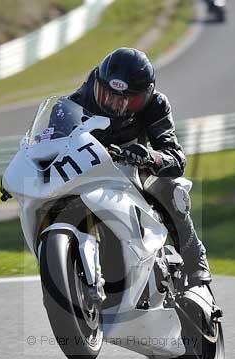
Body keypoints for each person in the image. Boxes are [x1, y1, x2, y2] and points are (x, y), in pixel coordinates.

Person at [67, 47, 211, 286]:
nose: (115, 105)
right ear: (98, 86)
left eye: (128, 99)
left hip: (133, 170)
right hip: (89, 169)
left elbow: (176, 158)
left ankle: (195, 259)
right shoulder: (83, 97)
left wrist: (149, 158)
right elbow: (52, 133)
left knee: (172, 190)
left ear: (145, 95)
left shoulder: (156, 105)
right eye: (108, 95)